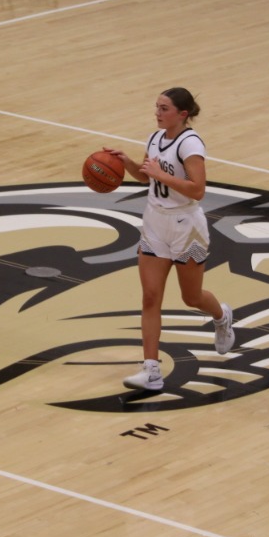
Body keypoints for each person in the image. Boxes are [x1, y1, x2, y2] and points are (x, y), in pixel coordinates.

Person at [102, 87, 235, 391]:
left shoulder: (190, 144)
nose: (157, 113)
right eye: (157, 107)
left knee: (192, 298)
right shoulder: (155, 138)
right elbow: (145, 176)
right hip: (155, 222)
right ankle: (151, 370)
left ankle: (221, 316)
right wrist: (126, 162)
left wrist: (160, 174)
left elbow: (197, 190)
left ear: (182, 114)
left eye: (164, 108)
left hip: (186, 226)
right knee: (150, 297)